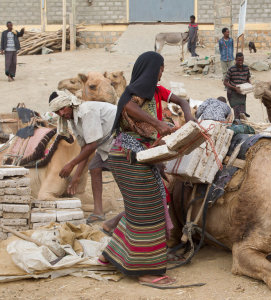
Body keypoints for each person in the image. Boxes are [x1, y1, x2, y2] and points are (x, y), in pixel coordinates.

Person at [98, 51, 193, 287]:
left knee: (137, 210)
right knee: (150, 212)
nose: (162, 72)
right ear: (152, 69)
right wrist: (159, 124)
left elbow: (179, 103)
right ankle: (147, 270)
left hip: (132, 156)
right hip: (130, 157)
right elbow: (127, 106)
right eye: (160, 68)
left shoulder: (148, 92)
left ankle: (109, 256)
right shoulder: (138, 92)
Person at [48, 90, 117, 224]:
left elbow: (91, 146)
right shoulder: (73, 120)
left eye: (62, 108)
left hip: (119, 138)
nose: (61, 113)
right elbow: (84, 147)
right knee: (95, 167)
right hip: (105, 144)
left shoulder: (86, 111)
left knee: (121, 172)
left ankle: (132, 210)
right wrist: (76, 177)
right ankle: (98, 212)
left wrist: (71, 164)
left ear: (69, 104)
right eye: (57, 112)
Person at [224, 52, 251, 120]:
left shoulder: (246, 68)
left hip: (242, 94)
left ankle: (241, 126)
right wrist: (235, 88)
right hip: (233, 94)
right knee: (237, 112)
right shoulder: (231, 69)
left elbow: (248, 79)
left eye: (242, 60)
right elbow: (225, 82)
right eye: (239, 60)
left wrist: (249, 87)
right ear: (235, 60)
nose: (240, 62)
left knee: (242, 113)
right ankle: (237, 126)